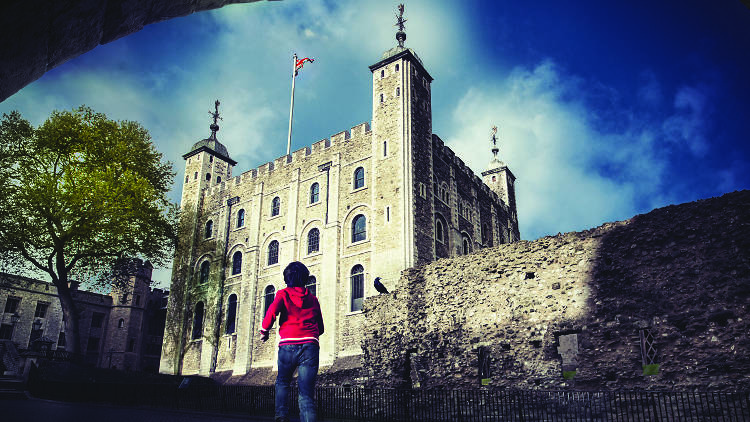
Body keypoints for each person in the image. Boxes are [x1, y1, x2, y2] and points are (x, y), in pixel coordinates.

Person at [260, 261, 324, 422]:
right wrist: (310, 336)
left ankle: (281, 416)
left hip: (288, 345)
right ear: (305, 279)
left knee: (282, 382)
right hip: (310, 346)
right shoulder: (313, 299)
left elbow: (272, 312)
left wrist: (264, 331)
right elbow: (321, 327)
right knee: (306, 394)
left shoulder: (282, 294)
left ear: (286, 279)